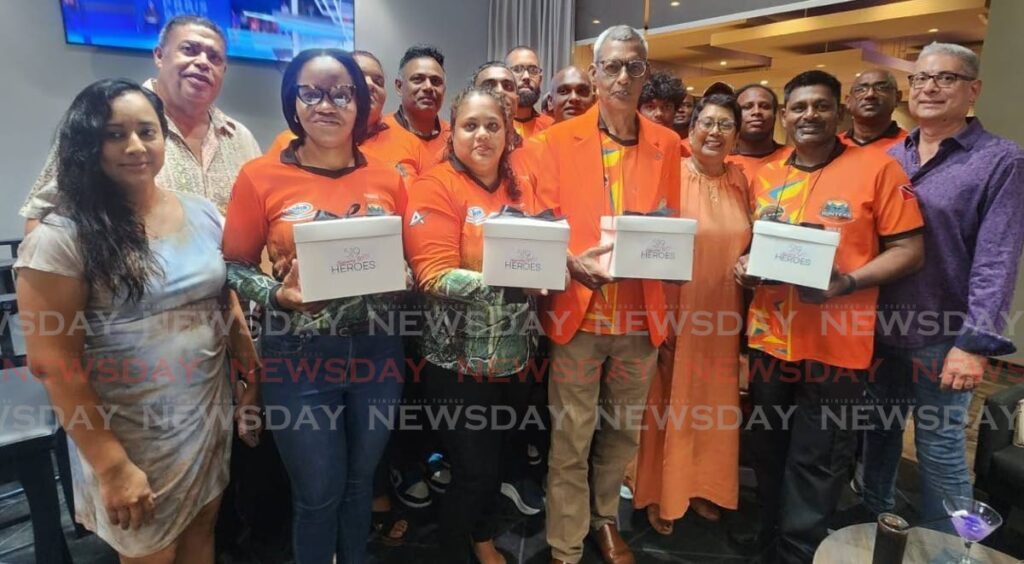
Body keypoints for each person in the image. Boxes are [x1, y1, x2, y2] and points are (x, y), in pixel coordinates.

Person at [16, 78, 261, 563]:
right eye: (114, 134)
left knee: (201, 533)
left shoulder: (203, 213)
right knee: (153, 552)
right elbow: (51, 362)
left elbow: (224, 300)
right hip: (127, 430)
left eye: (147, 132)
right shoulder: (61, 238)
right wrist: (111, 467)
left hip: (204, 415)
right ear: (87, 144)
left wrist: (250, 377)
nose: (134, 146)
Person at [222, 49, 407, 564]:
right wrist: (276, 294)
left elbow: (408, 261)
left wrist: (402, 279)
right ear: (293, 102)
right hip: (298, 356)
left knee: (358, 483)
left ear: (361, 103)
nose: (328, 104)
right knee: (318, 493)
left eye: (342, 93)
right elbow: (233, 267)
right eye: (311, 92)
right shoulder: (260, 177)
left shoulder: (389, 177)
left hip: (378, 351)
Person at [733, 70, 925, 564]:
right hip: (770, 341)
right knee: (769, 451)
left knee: (818, 461)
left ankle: (800, 554)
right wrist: (745, 267)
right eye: (797, 108)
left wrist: (850, 283)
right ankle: (769, 541)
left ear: (839, 113)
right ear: (784, 115)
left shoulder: (877, 169)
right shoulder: (769, 174)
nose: (808, 116)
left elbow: (909, 249)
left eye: (820, 106)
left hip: (837, 347)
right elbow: (755, 247)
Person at [533, 25, 681, 564]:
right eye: (612, 66)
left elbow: (673, 230)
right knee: (570, 439)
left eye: (634, 67)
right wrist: (569, 264)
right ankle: (564, 543)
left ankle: (604, 521)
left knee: (621, 437)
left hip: (641, 320)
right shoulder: (550, 141)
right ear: (593, 73)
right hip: (578, 316)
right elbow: (538, 226)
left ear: (646, 73)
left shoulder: (668, 144)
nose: (623, 76)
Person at [861, 42, 1024, 530]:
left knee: (940, 445)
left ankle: (949, 548)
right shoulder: (890, 157)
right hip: (879, 326)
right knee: (878, 432)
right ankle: (876, 520)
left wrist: (974, 345)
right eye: (921, 79)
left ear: (972, 90)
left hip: (944, 334)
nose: (930, 87)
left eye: (946, 78)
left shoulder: (1001, 160)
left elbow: (998, 258)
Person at [405, 85, 542, 564]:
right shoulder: (434, 185)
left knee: (496, 461)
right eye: (470, 125)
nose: (482, 135)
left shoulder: (520, 186)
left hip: (514, 357)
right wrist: (517, 278)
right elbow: (433, 275)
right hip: (457, 361)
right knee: (474, 472)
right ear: (452, 131)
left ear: (508, 132)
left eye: (492, 125)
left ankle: (481, 539)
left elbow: (543, 248)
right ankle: (450, 551)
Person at [20, 16, 260, 230]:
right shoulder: (103, 122)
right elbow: (41, 217)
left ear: (224, 70)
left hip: (235, 278)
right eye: (189, 49)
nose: (203, 62)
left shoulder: (241, 138)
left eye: (214, 58)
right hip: (131, 278)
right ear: (159, 55)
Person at [633, 93, 749, 534]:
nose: (714, 132)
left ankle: (703, 486)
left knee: (713, 405)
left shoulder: (741, 180)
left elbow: (752, 241)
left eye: (725, 125)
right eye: (706, 122)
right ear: (691, 128)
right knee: (666, 404)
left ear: (736, 135)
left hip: (723, 315)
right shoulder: (671, 177)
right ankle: (659, 493)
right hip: (676, 310)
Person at [267, 50, 431, 179]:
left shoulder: (409, 142)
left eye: (378, 81)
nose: (369, 85)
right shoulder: (287, 143)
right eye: (361, 77)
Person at [384, 44, 450, 160]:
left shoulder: (455, 138)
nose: (428, 87)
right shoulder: (379, 132)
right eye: (418, 79)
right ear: (399, 86)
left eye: (435, 81)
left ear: (444, 89)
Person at [729, 84, 789, 182]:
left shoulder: (795, 158)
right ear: (734, 116)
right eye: (747, 107)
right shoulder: (718, 161)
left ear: (775, 115)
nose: (756, 112)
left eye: (765, 106)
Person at [839, 69, 908, 152]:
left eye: (881, 88)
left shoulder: (911, 145)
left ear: (897, 98)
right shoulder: (832, 147)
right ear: (848, 101)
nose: (870, 94)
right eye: (861, 89)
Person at [506, 46, 555, 138]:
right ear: (505, 76)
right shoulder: (492, 127)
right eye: (517, 69)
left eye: (533, 70)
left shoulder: (551, 128)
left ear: (540, 79)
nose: (526, 76)